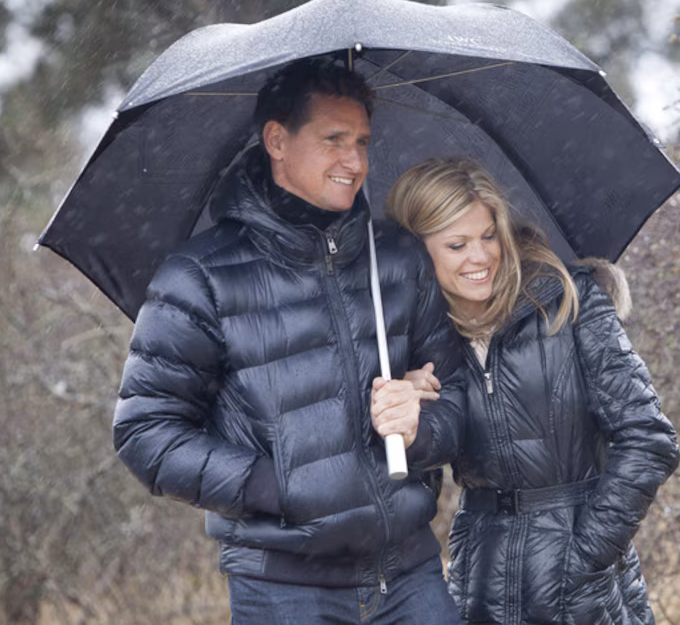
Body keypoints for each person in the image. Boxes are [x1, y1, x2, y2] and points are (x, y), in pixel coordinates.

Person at [111, 58, 467, 624]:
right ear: (277, 140)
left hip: (409, 576)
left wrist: (421, 426)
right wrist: (273, 485)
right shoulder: (198, 277)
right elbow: (145, 432)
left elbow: (461, 395)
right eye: (334, 140)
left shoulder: (398, 257)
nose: (355, 162)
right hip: (282, 590)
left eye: (362, 142)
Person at [384, 156, 680, 624]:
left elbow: (649, 439)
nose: (481, 257)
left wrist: (586, 559)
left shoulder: (568, 300)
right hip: (481, 585)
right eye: (457, 245)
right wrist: (411, 421)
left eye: (488, 236)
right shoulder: (415, 343)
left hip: (585, 590)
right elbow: (411, 494)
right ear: (417, 253)